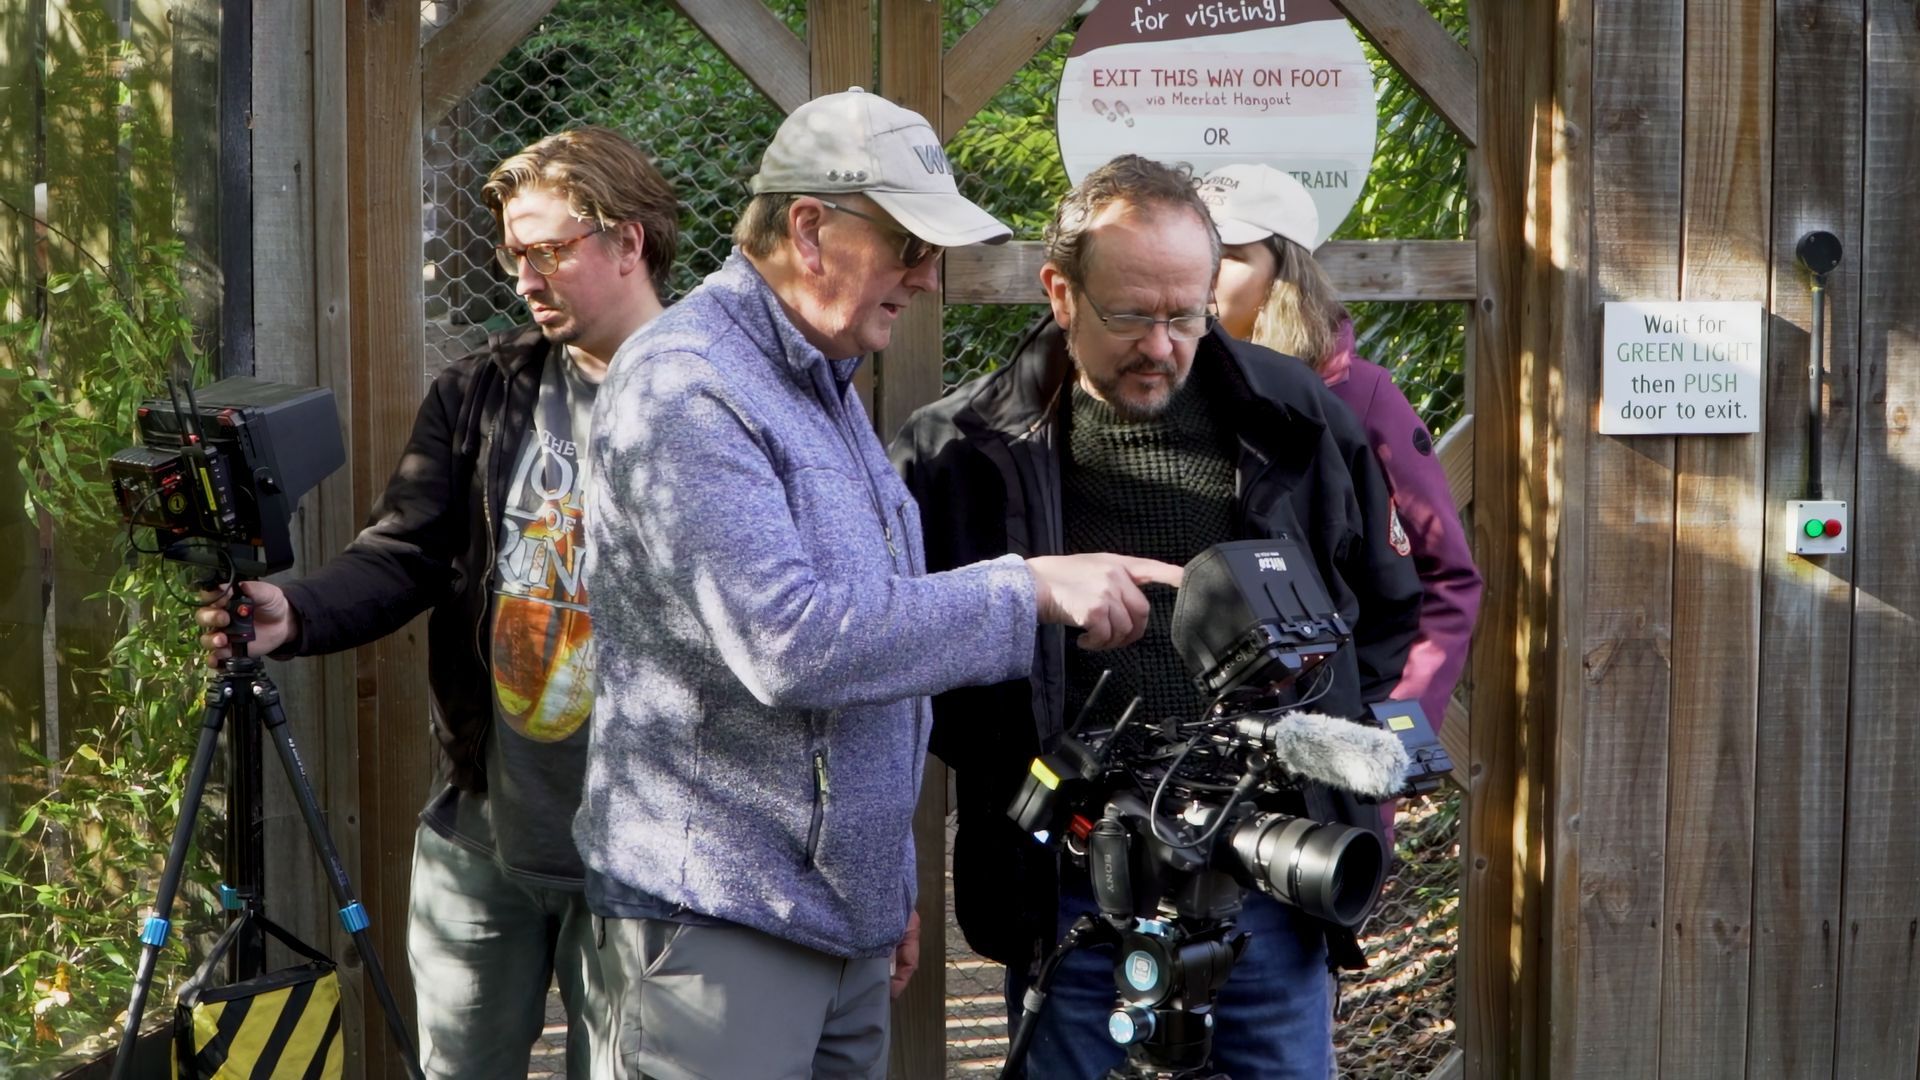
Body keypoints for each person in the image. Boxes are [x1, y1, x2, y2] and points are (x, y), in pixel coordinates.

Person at [577, 88, 1184, 1080]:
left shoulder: (817, 376)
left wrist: (882, 887)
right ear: (810, 229)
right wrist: (1025, 587)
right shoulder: (689, 386)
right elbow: (791, 641)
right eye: (908, 247)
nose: (928, 277)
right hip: (720, 927)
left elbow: (875, 652)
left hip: (833, 924)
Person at [890, 154, 1425, 1080]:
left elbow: (1380, 611)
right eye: (1132, 314)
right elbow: (911, 665)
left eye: (1186, 313)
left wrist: (1306, 748)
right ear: (1060, 292)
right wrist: (1043, 756)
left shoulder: (1291, 415)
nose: (1162, 344)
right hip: (1077, 887)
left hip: (1267, 876)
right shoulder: (959, 455)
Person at [194, 126, 677, 1079]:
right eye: (513, 253)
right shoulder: (482, 392)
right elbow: (404, 552)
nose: (525, 277)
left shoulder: (709, 394)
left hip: (647, 849)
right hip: (485, 830)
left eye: (549, 250)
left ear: (630, 241)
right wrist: (294, 613)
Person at [1202, 162, 1482, 737]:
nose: (1201, 274)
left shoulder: (1361, 398)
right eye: (1194, 250)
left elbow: (1445, 580)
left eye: (1227, 254)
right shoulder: (1164, 391)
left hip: (1334, 742)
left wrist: (1389, 742)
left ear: (1285, 272)